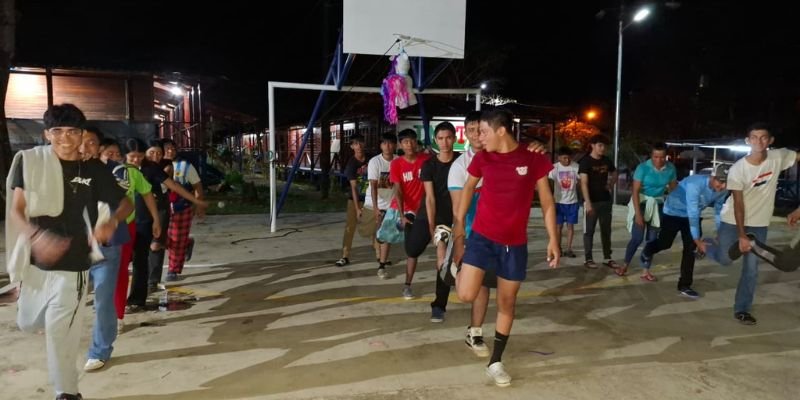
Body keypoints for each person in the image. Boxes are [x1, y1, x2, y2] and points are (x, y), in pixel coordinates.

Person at [5, 104, 132, 400]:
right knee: (28, 323)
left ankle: (67, 392)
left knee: (60, 331)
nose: (65, 138)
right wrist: (37, 236)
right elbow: (17, 210)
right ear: (46, 134)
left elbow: (125, 203)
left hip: (74, 265)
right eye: (57, 131)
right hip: (36, 263)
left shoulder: (93, 169)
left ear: (82, 134)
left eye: (73, 131)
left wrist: (111, 221)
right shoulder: (30, 162)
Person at [451, 109, 559, 387]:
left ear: (501, 130)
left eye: (483, 131)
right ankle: (457, 269)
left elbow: (547, 201)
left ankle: (496, 361)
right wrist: (459, 223)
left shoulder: (533, 158)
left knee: (507, 303)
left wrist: (553, 239)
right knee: (465, 294)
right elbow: (467, 188)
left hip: (514, 244)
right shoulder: (482, 157)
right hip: (482, 238)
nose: (478, 137)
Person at [715, 123, 799, 325]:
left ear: (770, 141)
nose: (758, 141)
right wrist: (742, 235)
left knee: (751, 268)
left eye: (763, 137)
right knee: (725, 259)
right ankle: (706, 246)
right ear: (747, 141)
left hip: (759, 223)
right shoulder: (738, 169)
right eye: (754, 137)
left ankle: (742, 309)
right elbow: (738, 204)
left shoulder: (778, 156)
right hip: (733, 220)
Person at [124, 138, 208, 311]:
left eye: (159, 153)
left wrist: (196, 201)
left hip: (152, 215)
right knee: (124, 259)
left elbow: (173, 186)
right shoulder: (119, 170)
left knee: (151, 250)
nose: (137, 160)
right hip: (126, 221)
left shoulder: (154, 169)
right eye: (151, 153)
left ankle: (142, 293)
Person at [639, 165, 730, 298]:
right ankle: (648, 249)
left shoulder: (723, 190)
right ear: (712, 177)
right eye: (720, 181)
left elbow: (718, 211)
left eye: (726, 183)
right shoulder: (695, 184)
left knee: (690, 250)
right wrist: (697, 239)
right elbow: (692, 211)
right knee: (665, 243)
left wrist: (720, 232)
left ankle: (685, 285)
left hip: (692, 216)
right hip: (673, 212)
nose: (722, 186)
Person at [618, 142, 677, 280]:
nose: (659, 160)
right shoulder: (643, 168)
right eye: (656, 157)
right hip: (642, 202)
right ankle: (625, 265)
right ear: (651, 156)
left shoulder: (670, 168)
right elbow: (635, 191)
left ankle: (646, 270)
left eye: (662, 157)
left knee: (652, 239)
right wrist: (638, 214)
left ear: (666, 156)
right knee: (637, 238)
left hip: (658, 204)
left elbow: (674, 190)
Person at [389, 128, 431, 299]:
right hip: (409, 211)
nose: (409, 144)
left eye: (412, 140)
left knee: (441, 244)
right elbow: (397, 190)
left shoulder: (427, 159)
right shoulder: (396, 164)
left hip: (428, 210)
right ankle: (407, 285)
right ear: (400, 144)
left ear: (417, 141)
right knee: (411, 250)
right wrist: (402, 214)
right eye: (405, 141)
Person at [421, 122, 457, 322]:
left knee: (464, 263)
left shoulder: (462, 162)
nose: (444, 142)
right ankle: (439, 305)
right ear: (436, 140)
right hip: (442, 220)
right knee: (442, 260)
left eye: (448, 137)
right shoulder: (429, 165)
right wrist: (431, 225)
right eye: (440, 138)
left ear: (455, 139)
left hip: (463, 219)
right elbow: (430, 198)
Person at [162, 139, 205, 281]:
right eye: (167, 148)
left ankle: (173, 270)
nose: (171, 151)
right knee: (162, 239)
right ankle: (186, 243)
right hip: (160, 209)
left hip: (182, 208)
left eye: (173, 148)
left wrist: (199, 205)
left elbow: (197, 186)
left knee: (176, 239)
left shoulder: (185, 166)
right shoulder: (154, 165)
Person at [579, 134, 619, 269]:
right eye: (600, 145)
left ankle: (607, 257)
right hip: (592, 201)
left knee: (606, 230)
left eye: (605, 146)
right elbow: (583, 183)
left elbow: (615, 172)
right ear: (593, 145)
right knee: (589, 231)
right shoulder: (585, 162)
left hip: (605, 200)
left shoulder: (607, 160)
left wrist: (610, 185)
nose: (603, 148)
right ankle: (588, 259)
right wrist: (587, 202)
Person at [362, 133, 397, 278]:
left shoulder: (398, 160)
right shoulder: (375, 162)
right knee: (371, 232)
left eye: (390, 143)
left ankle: (382, 265)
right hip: (374, 202)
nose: (387, 146)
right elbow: (373, 185)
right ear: (380, 146)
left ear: (394, 145)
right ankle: (378, 248)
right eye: (384, 143)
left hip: (391, 204)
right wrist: (376, 208)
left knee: (386, 235)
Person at [335, 134, 369, 267]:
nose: (359, 146)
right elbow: (353, 188)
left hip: (371, 199)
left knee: (375, 227)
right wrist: (357, 208)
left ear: (364, 144)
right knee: (350, 228)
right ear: (352, 147)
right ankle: (345, 256)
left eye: (360, 142)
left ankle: (381, 257)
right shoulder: (351, 164)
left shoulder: (372, 159)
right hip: (355, 199)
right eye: (355, 144)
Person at [549, 146, 581, 258]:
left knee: (570, 226)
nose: (567, 160)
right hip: (559, 202)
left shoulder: (576, 167)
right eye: (564, 158)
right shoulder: (554, 168)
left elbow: (581, 181)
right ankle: (558, 248)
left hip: (572, 202)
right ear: (559, 158)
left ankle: (569, 249)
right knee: (558, 226)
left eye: (569, 158)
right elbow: (547, 181)